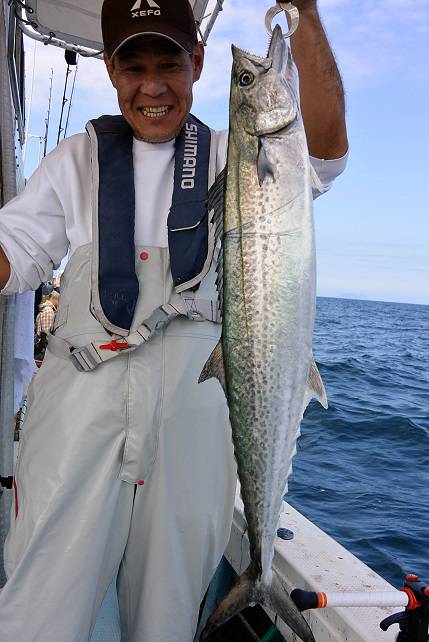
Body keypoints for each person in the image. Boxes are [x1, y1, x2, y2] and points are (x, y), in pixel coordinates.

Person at [0, 1, 348, 640]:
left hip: (194, 413)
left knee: (166, 617)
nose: (153, 86)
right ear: (110, 70)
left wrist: (303, 10)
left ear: (199, 64)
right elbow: (11, 255)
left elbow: (323, 151)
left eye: (170, 63)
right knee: (38, 611)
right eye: (134, 66)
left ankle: (253, 578)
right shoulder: (75, 163)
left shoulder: (236, 158)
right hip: (79, 410)